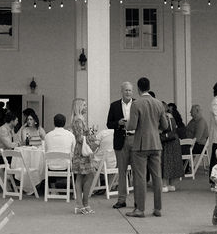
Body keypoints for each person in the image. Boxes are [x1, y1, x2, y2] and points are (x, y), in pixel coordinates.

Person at [124, 77, 165, 218]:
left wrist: (126, 124)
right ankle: (158, 209)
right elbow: (165, 125)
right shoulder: (158, 103)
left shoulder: (137, 104)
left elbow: (132, 126)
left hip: (141, 145)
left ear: (138, 88)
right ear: (149, 87)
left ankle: (140, 209)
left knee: (140, 177)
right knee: (157, 176)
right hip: (156, 144)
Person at [106, 81, 135, 209]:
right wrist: (118, 123)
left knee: (137, 172)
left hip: (135, 140)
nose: (128, 92)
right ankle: (121, 199)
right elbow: (109, 124)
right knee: (122, 172)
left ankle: (138, 200)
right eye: (126, 90)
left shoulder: (137, 104)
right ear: (121, 91)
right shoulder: (114, 106)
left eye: (130, 90)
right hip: (121, 141)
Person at [70, 113, 100, 215]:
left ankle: (81, 204)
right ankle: (83, 203)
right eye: (84, 105)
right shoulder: (78, 120)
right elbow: (80, 138)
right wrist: (92, 137)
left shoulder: (80, 120)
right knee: (88, 176)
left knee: (81, 177)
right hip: (82, 153)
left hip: (81, 152)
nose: (85, 107)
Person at [160, 101, 183, 192]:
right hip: (174, 140)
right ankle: (171, 185)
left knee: (165, 162)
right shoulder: (171, 116)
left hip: (167, 141)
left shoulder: (164, 116)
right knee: (172, 162)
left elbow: (164, 128)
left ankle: (164, 185)